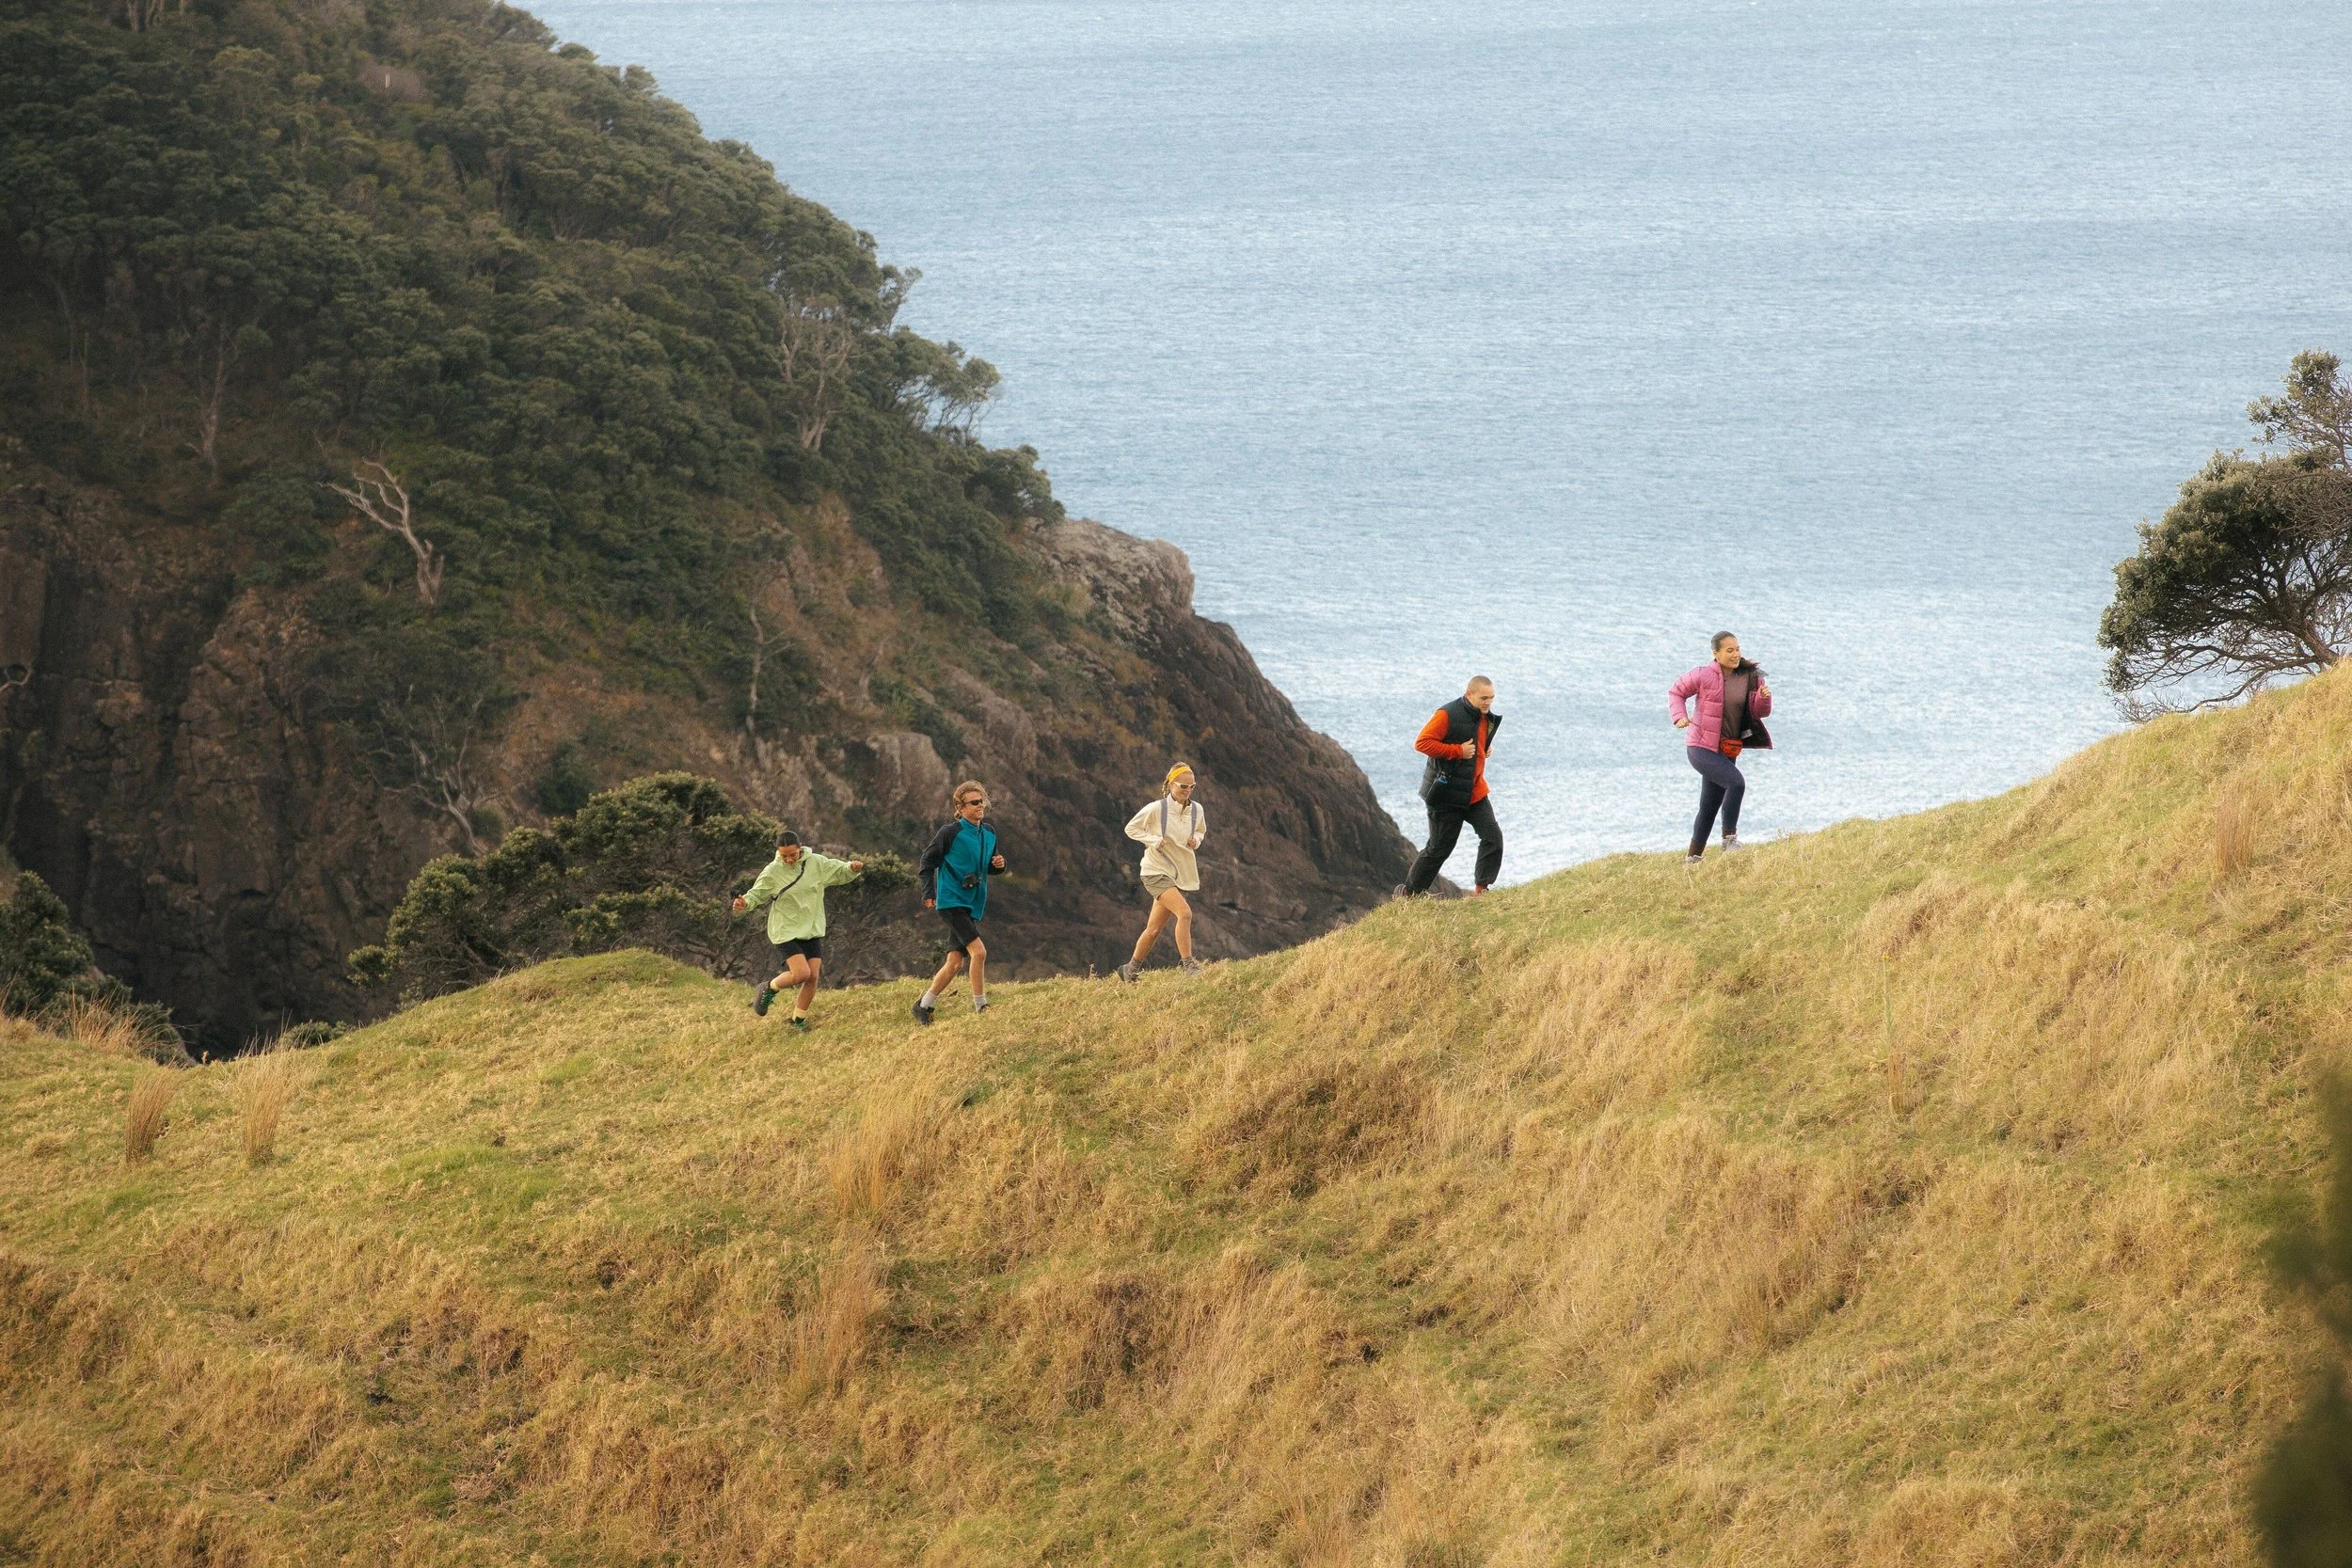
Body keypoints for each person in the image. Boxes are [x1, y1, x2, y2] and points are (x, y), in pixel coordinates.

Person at [732, 831, 866, 1031]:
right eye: (784, 855)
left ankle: (797, 1021)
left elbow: (839, 870)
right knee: (801, 973)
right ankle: (768, 988)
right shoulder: (772, 871)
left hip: (811, 928)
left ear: (800, 848)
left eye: (792, 855)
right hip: (785, 930)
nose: (788, 859)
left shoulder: (816, 863)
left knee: (812, 977)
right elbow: (756, 894)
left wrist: (852, 868)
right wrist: (744, 903)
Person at [1669, 631, 1773, 863]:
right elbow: (1676, 692)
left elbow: (1759, 713)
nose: (1736, 654)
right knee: (1736, 783)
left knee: (1709, 805)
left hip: (1728, 749)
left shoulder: (1750, 677)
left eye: (1737, 649)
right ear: (1715, 654)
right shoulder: (1702, 675)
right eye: (1729, 650)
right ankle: (1729, 840)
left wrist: (1764, 698)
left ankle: (1693, 859)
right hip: (1701, 747)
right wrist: (1679, 717)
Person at [913, 780, 1006, 1023]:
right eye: (974, 802)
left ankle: (924, 1006)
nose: (980, 806)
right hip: (951, 900)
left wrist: (999, 866)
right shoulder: (949, 833)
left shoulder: (989, 833)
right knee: (979, 952)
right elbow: (927, 862)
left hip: (974, 901)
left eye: (982, 801)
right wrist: (928, 893)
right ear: (960, 807)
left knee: (954, 963)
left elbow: (987, 868)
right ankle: (981, 1006)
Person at [1400, 676, 1503, 897]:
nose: (1488, 702)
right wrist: (1458, 751)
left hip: (1475, 793)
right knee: (1439, 849)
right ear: (1469, 694)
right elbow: (1422, 743)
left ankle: (1481, 890)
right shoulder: (1447, 714)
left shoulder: (1484, 717)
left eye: (1491, 698)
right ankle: (1410, 893)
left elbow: (1476, 742)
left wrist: (1485, 748)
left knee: (1493, 838)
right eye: (1484, 698)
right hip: (1446, 794)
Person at [1116, 763, 1208, 983]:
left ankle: (1130, 969)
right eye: (1183, 786)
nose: (1188, 790)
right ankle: (1189, 964)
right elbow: (1131, 828)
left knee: (1154, 929)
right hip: (1155, 871)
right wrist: (1154, 841)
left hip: (1179, 874)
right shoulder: (1156, 808)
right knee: (1185, 914)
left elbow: (1201, 830)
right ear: (1170, 784)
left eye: (1192, 786)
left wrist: (1197, 840)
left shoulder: (1197, 810)